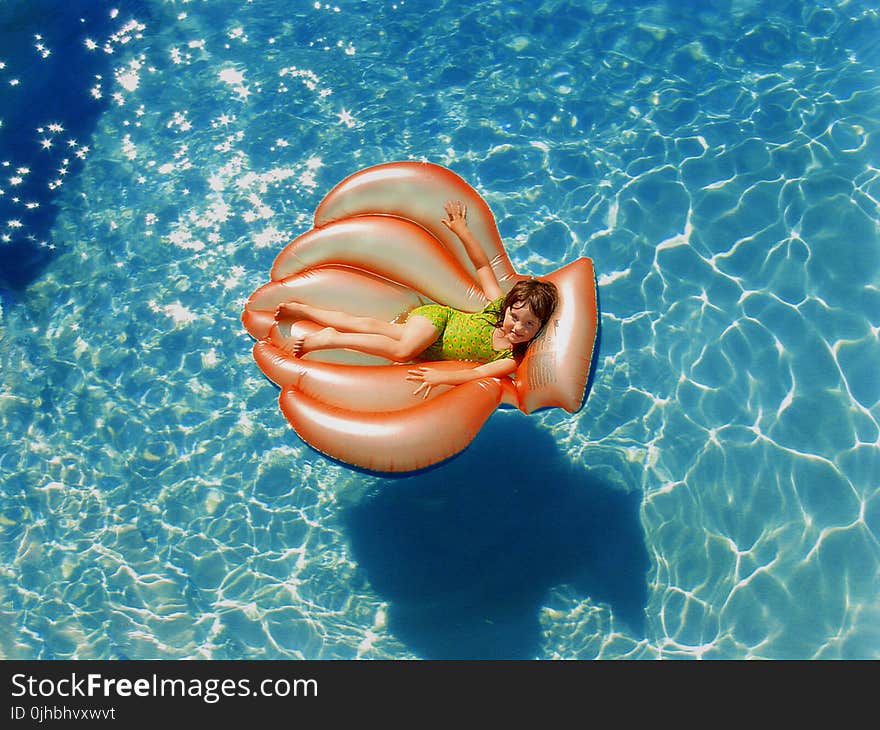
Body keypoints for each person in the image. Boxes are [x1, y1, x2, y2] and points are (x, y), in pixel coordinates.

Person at [275, 200, 559, 398]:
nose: (517, 327)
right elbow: (484, 266)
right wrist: (463, 231)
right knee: (402, 351)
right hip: (437, 320)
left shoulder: (509, 357)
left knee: (369, 325)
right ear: (507, 308)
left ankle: (304, 310)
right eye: (515, 316)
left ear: (540, 328)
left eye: (529, 324)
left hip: (430, 344)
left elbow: (479, 373)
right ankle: (331, 338)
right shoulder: (496, 307)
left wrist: (442, 377)